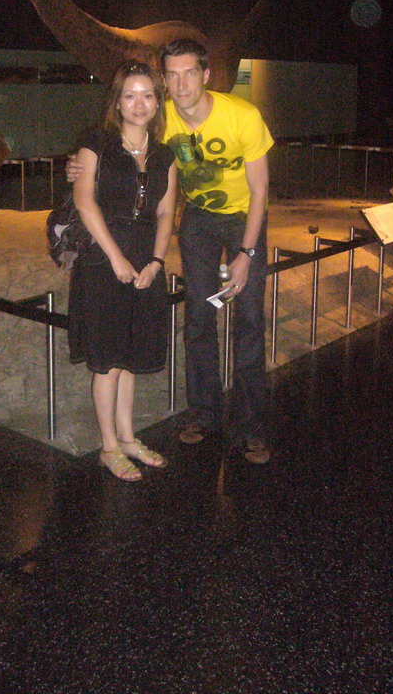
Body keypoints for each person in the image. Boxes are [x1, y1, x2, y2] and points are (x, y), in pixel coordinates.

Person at [68, 38, 274, 464]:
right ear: (164, 79)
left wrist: (246, 253)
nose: (181, 83)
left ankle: (251, 425)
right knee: (200, 315)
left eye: (189, 72)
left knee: (250, 318)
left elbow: (260, 191)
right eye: (172, 74)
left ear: (206, 74)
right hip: (198, 219)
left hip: (242, 220)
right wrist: (77, 164)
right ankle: (204, 413)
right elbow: (112, 150)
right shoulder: (163, 125)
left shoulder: (243, 116)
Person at [69, 61, 177, 481]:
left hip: (146, 258)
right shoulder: (97, 142)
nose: (139, 103)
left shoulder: (164, 153)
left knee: (130, 355)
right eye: (129, 95)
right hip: (103, 257)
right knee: (107, 358)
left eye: (147, 94)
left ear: (157, 101)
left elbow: (167, 209)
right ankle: (109, 447)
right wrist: (116, 257)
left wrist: (155, 261)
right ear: (116, 101)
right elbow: (84, 201)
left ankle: (129, 437)